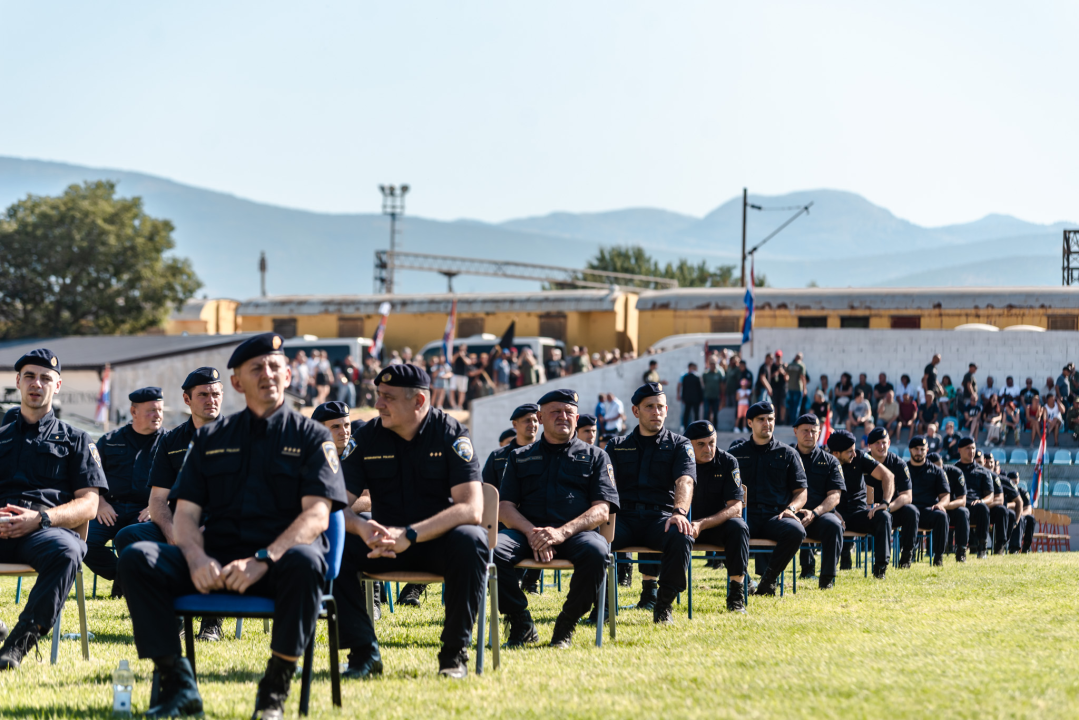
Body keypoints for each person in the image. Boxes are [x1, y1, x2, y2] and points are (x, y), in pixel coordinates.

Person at [118, 333, 348, 718]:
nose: (267, 374)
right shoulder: (211, 438)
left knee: (308, 563)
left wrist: (264, 559)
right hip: (215, 561)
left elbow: (317, 515)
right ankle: (177, 682)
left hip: (279, 563)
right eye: (256, 368)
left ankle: (274, 689)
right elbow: (185, 514)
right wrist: (194, 557)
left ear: (288, 375)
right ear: (238, 383)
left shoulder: (312, 437)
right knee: (137, 557)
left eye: (274, 367)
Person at [337, 363, 488, 680]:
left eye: (388, 397)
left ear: (418, 401)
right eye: (378, 395)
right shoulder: (366, 438)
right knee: (333, 540)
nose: (378, 404)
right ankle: (363, 653)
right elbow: (335, 505)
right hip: (382, 545)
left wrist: (410, 534)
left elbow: (472, 508)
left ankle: (453, 655)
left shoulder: (450, 433)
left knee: (471, 540)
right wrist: (362, 527)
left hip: (436, 544)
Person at [0, 349, 108, 670]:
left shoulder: (77, 440)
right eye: (30, 376)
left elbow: (90, 504)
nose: (37, 383)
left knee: (68, 551)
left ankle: (17, 644)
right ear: (18, 382)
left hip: (44, 533)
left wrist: (41, 519)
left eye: (46, 378)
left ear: (57, 386)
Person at [496, 390, 619, 648]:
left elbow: (601, 510)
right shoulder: (519, 456)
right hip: (527, 534)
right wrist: (532, 533)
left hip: (577, 535)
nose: (563, 416)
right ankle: (520, 621)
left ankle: (567, 623)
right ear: (540, 418)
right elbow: (504, 507)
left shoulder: (597, 456)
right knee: (493, 551)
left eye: (569, 412)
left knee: (597, 552)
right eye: (555, 412)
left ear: (576, 418)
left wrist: (561, 533)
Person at [113, 368, 225, 642]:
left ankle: (212, 621)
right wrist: (172, 531)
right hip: (178, 522)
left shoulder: (239, 436)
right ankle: (171, 617)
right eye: (203, 395)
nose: (211, 400)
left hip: (222, 523)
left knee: (220, 538)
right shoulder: (172, 440)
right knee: (128, 537)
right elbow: (157, 499)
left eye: (216, 394)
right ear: (187, 399)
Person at [605, 383, 696, 623]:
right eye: (649, 407)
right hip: (623, 519)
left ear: (666, 410)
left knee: (681, 535)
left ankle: (663, 605)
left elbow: (685, 480)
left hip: (660, 519)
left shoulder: (680, 444)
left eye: (660, 407)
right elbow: (606, 485)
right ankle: (602, 606)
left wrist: (679, 512)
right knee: (594, 539)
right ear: (635, 411)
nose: (656, 412)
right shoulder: (616, 445)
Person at [85, 387, 165, 597]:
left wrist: (157, 506)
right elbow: (91, 475)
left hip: (145, 510)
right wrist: (100, 502)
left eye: (160, 410)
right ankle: (124, 578)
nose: (157, 415)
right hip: (110, 509)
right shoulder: (109, 440)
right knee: (83, 541)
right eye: (151, 410)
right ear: (133, 411)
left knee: (130, 538)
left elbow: (180, 481)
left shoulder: (169, 442)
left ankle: (126, 583)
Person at [728, 402, 808, 595]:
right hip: (745, 515)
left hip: (775, 516)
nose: (767, 423)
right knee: (726, 529)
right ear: (749, 422)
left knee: (796, 531)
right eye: (761, 419)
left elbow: (801, 491)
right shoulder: (735, 455)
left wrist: (791, 509)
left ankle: (769, 579)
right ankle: (745, 580)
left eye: (770, 419)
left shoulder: (788, 454)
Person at [684, 420, 749, 611]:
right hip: (684, 526)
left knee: (739, 527)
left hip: (716, 526)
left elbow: (736, 507)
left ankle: (736, 595)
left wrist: (702, 524)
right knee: (655, 521)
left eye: (712, 442)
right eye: (701, 444)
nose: (708, 449)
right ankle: (654, 594)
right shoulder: (679, 460)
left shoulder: (728, 461)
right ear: (688, 445)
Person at [479, 403, 542, 597]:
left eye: (535, 420)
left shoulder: (545, 454)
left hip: (536, 519)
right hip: (502, 520)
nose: (532, 424)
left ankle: (530, 581)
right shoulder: (498, 456)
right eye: (527, 420)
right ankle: (509, 582)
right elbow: (486, 491)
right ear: (515, 424)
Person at [825, 429, 893, 579]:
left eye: (854, 450)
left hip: (858, 513)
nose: (854, 454)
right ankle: (813, 570)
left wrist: (885, 503)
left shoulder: (860, 456)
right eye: (849, 451)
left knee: (884, 517)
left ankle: (880, 569)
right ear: (836, 453)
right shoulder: (824, 461)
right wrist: (831, 511)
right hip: (833, 514)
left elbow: (887, 475)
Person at [790, 414, 845, 590]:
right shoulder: (785, 457)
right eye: (805, 431)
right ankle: (768, 577)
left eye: (814, 431)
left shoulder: (830, 461)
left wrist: (815, 513)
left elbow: (835, 495)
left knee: (834, 525)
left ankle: (827, 578)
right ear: (795, 431)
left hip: (819, 516)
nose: (809, 435)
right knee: (768, 520)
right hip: (790, 514)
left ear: (819, 433)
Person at [865, 427, 917, 568]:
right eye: (877, 443)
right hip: (866, 510)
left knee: (912, 511)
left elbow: (907, 496)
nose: (881, 446)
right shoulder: (862, 462)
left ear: (889, 443)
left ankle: (906, 555)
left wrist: (886, 507)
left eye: (884, 442)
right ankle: (846, 554)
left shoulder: (898, 464)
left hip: (891, 509)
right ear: (869, 446)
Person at [904, 436, 951, 566]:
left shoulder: (937, 471)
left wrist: (940, 504)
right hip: (907, 511)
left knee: (942, 516)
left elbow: (945, 495)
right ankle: (907, 555)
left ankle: (938, 556)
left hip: (927, 511)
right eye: (916, 449)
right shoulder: (903, 469)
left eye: (922, 449)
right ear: (910, 450)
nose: (919, 452)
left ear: (927, 450)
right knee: (910, 511)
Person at [954, 437, 995, 558]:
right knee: (962, 511)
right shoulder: (954, 470)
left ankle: (982, 548)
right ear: (959, 450)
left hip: (975, 506)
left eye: (973, 448)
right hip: (958, 506)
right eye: (968, 448)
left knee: (983, 508)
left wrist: (981, 501)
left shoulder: (983, 471)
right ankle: (960, 550)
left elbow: (990, 496)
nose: (971, 451)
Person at [1009, 473, 1035, 554]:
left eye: (1016, 480)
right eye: (1013, 480)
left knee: (1031, 518)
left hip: (1021, 516)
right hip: (1009, 517)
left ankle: (1026, 546)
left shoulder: (1023, 492)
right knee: (1020, 518)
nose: (1015, 482)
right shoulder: (1006, 491)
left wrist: (1019, 513)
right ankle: (1014, 548)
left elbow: (1029, 509)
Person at [678, 362, 704, 429]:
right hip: (696, 399)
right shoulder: (697, 377)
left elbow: (684, 389)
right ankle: (696, 427)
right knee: (695, 414)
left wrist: (683, 398)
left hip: (688, 399)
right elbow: (700, 389)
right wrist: (701, 399)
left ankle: (685, 427)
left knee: (687, 413)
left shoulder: (686, 377)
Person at [702, 358, 724, 424]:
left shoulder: (718, 373)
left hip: (716, 396)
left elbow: (721, 384)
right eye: (711, 364)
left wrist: (722, 395)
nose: (712, 365)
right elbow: (703, 384)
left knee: (715, 412)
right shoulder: (705, 374)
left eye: (713, 364)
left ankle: (715, 426)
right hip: (707, 396)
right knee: (706, 412)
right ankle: (705, 426)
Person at [451, 345, 471, 409]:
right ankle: (453, 405)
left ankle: (460, 405)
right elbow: (452, 361)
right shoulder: (456, 354)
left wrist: (462, 356)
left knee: (462, 391)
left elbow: (468, 362)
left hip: (463, 376)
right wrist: (457, 355)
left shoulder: (467, 355)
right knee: (452, 390)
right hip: (455, 374)